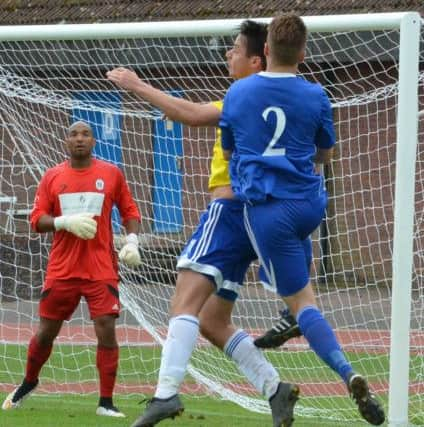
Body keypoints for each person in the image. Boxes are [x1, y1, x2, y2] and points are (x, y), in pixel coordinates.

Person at [108, 21, 299, 427]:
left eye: (233, 49)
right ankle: (274, 388)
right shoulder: (279, 100)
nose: (227, 55)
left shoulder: (244, 97)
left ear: (256, 58)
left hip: (227, 214)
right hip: (255, 218)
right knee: (213, 321)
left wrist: (137, 85)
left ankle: (165, 394)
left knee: (183, 302)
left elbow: (192, 114)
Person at [219, 14, 385, 426]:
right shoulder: (317, 95)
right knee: (294, 263)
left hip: (269, 209)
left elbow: (228, 149)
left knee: (303, 302)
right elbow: (325, 154)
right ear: (304, 53)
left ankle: (347, 372)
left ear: (267, 50)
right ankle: (289, 312)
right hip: (310, 205)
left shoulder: (239, 93)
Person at [1, 121, 142, 418]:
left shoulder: (111, 174)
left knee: (106, 330)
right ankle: (28, 382)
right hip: (62, 270)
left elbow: (129, 210)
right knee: (46, 332)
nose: (79, 139)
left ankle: (105, 402)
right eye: (74, 134)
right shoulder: (53, 176)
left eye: (85, 134)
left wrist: (132, 241)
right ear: (65, 141)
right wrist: (63, 222)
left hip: (100, 268)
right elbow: (37, 219)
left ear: (94, 142)